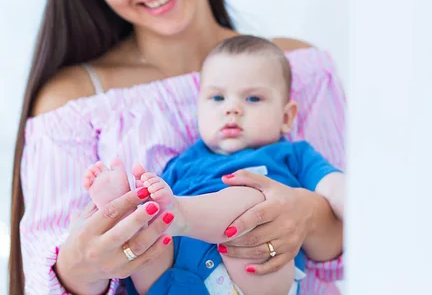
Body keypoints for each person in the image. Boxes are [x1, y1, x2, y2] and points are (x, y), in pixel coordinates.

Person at [9, 0, 345, 294]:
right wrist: (88, 256)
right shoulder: (74, 103)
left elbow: (361, 233)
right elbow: (43, 275)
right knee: (151, 238)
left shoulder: (299, 69)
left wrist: (304, 215)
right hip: (169, 278)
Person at [83, 35, 345, 295]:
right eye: (218, 98)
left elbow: (332, 184)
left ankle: (179, 214)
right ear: (199, 110)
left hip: (253, 277)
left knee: (255, 199)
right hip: (178, 282)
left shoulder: (292, 154)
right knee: (150, 234)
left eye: (253, 99)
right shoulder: (183, 162)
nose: (232, 109)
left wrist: (349, 197)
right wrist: (148, 212)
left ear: (286, 117)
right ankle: (125, 211)